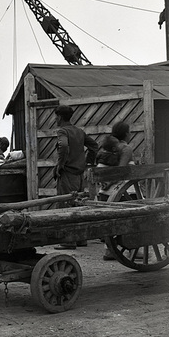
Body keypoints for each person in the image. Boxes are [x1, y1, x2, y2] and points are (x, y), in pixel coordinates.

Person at [53, 105, 99, 249]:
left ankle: (67, 241)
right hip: (80, 175)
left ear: (59, 117)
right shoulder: (79, 131)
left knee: (65, 206)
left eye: (55, 116)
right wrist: (88, 162)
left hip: (68, 174)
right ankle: (81, 239)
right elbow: (94, 145)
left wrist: (60, 165)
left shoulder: (62, 131)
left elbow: (64, 147)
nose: (55, 119)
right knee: (79, 206)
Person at [96, 121, 135, 259]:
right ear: (125, 134)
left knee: (109, 221)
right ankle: (134, 249)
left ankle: (108, 249)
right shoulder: (126, 148)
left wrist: (105, 184)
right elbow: (121, 170)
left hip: (104, 192)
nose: (130, 134)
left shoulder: (106, 147)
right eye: (129, 131)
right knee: (132, 219)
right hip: (123, 192)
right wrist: (110, 182)